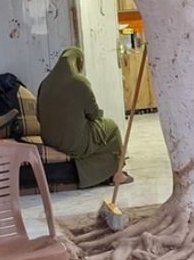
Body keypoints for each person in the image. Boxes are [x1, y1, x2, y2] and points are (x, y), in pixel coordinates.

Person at [37, 46, 131, 188]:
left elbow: (39, 116)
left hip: (49, 140)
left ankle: (94, 174)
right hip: (73, 143)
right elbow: (93, 114)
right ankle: (117, 174)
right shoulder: (79, 82)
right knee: (111, 128)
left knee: (87, 132)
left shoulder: (44, 84)